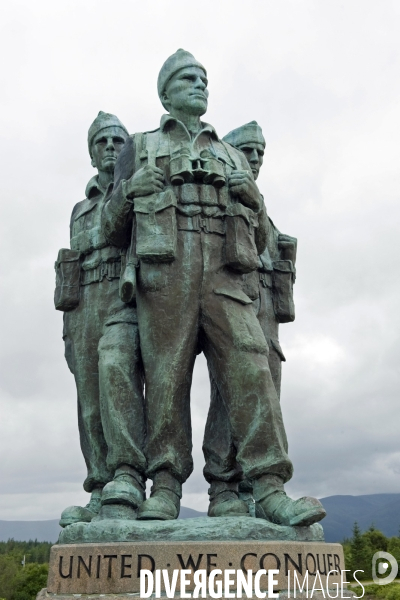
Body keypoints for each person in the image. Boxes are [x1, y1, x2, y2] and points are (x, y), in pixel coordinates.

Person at [102, 50, 325, 527]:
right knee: (166, 378)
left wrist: (253, 197)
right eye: (186, 78)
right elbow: (108, 230)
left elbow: (262, 237)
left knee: (251, 366)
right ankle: (164, 485)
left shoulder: (228, 153)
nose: (199, 84)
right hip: (166, 271)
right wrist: (128, 191)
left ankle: (268, 486)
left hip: (226, 274)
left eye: (203, 78)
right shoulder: (137, 147)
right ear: (165, 92)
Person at [203, 121, 299, 519]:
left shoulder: (262, 209)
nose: (255, 158)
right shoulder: (222, 201)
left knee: (263, 393)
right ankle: (224, 484)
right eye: (248, 151)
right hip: (230, 303)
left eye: (260, 152)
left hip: (266, 320)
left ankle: (249, 487)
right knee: (228, 398)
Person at [56, 112, 146, 527]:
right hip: (82, 305)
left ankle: (129, 480)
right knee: (89, 405)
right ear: (92, 153)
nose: (109, 148)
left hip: (121, 296)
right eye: (101, 143)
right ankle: (100, 488)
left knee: (116, 377)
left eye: (116, 141)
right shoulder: (79, 208)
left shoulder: (137, 187)